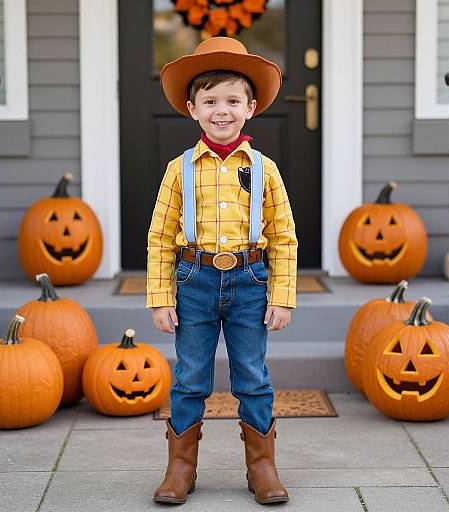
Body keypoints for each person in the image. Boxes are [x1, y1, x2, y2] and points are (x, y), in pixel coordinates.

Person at [146, 36, 297, 505]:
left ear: (251, 107)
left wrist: (283, 294)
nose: (222, 111)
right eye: (210, 101)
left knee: (252, 374)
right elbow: (159, 236)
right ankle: (180, 469)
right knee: (191, 375)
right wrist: (160, 296)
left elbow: (284, 236)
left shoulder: (265, 169)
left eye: (233, 100)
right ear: (193, 108)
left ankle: (262, 468)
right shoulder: (180, 169)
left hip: (251, 281)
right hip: (194, 282)